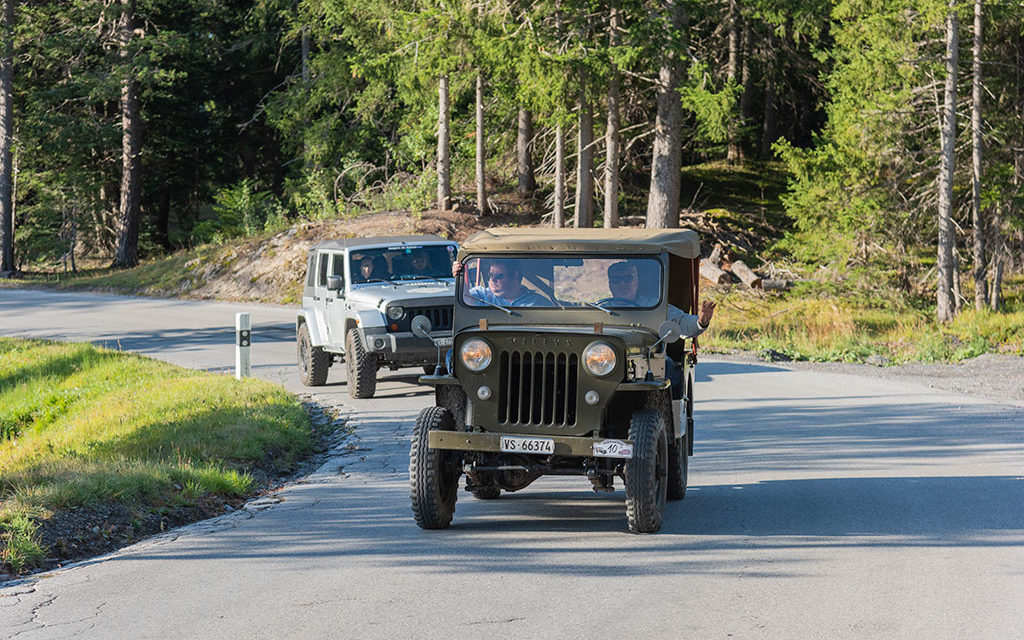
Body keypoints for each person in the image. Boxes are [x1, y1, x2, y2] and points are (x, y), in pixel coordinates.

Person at [605, 260, 716, 338]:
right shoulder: (601, 309)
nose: (622, 284)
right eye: (616, 280)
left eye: (627, 279)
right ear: (610, 285)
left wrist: (701, 321)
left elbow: (682, 323)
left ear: (636, 282)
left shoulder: (654, 306)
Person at [452, 259, 548, 307]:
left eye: (499, 276)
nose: (492, 280)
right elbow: (466, 299)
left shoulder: (538, 302)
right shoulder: (482, 295)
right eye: (490, 275)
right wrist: (458, 274)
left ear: (514, 276)